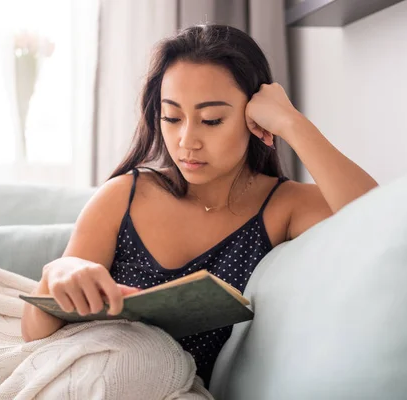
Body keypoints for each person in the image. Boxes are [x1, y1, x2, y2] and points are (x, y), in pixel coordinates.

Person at [21, 24, 378, 388]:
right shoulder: (124, 196)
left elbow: (380, 223)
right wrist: (56, 275)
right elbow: (34, 337)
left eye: (211, 120)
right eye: (172, 117)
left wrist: (291, 122)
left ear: (253, 116)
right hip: (84, 379)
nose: (186, 140)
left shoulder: (283, 206)